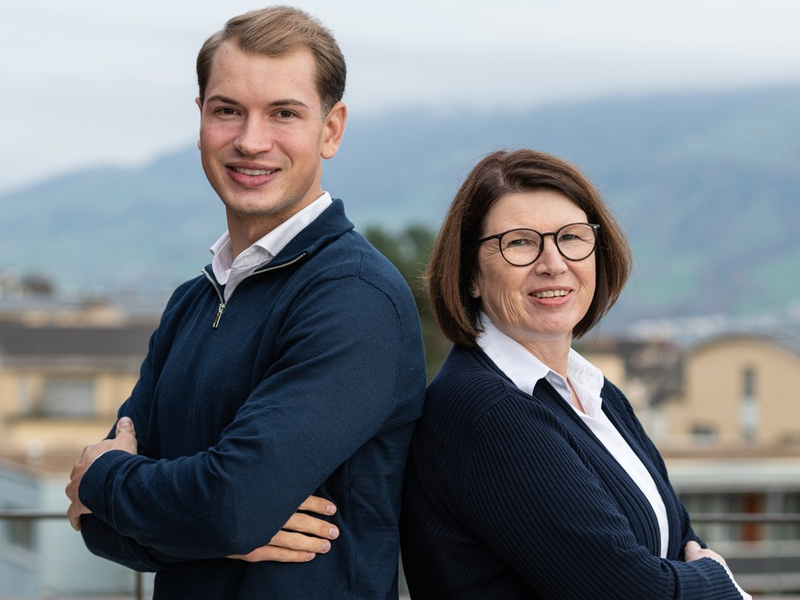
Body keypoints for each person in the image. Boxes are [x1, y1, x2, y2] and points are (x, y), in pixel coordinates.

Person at [64, 6, 426, 599]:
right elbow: (96, 526)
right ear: (202, 120)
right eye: (227, 110)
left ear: (330, 130)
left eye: (284, 113)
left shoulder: (354, 298)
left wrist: (106, 476)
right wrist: (214, 525)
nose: (250, 141)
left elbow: (224, 504)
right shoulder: (191, 302)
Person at [399, 148, 751, 599]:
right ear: (471, 274)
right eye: (521, 242)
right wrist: (720, 581)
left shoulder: (596, 395)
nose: (553, 263)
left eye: (572, 237)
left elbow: (681, 537)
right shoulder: (486, 415)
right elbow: (631, 592)